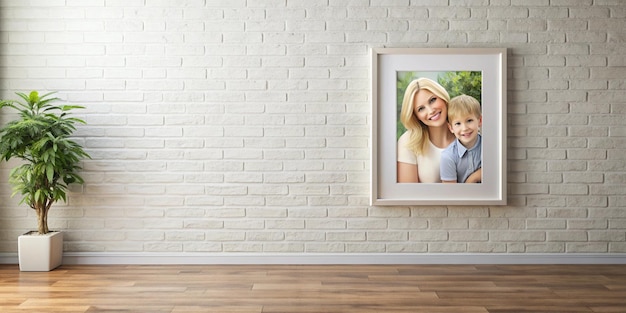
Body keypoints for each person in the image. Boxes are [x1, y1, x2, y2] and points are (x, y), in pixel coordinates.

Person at [397, 77, 456, 183]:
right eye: (421, 109)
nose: (431, 111)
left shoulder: (466, 131)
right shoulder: (408, 142)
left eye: (433, 100)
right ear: (416, 116)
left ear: (442, 97)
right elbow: (407, 195)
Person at [440, 94, 482, 183]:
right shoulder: (448, 156)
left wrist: (473, 178)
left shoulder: (489, 147)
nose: (464, 128)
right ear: (451, 128)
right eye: (458, 123)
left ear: (480, 121)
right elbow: (450, 193)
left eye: (469, 121)